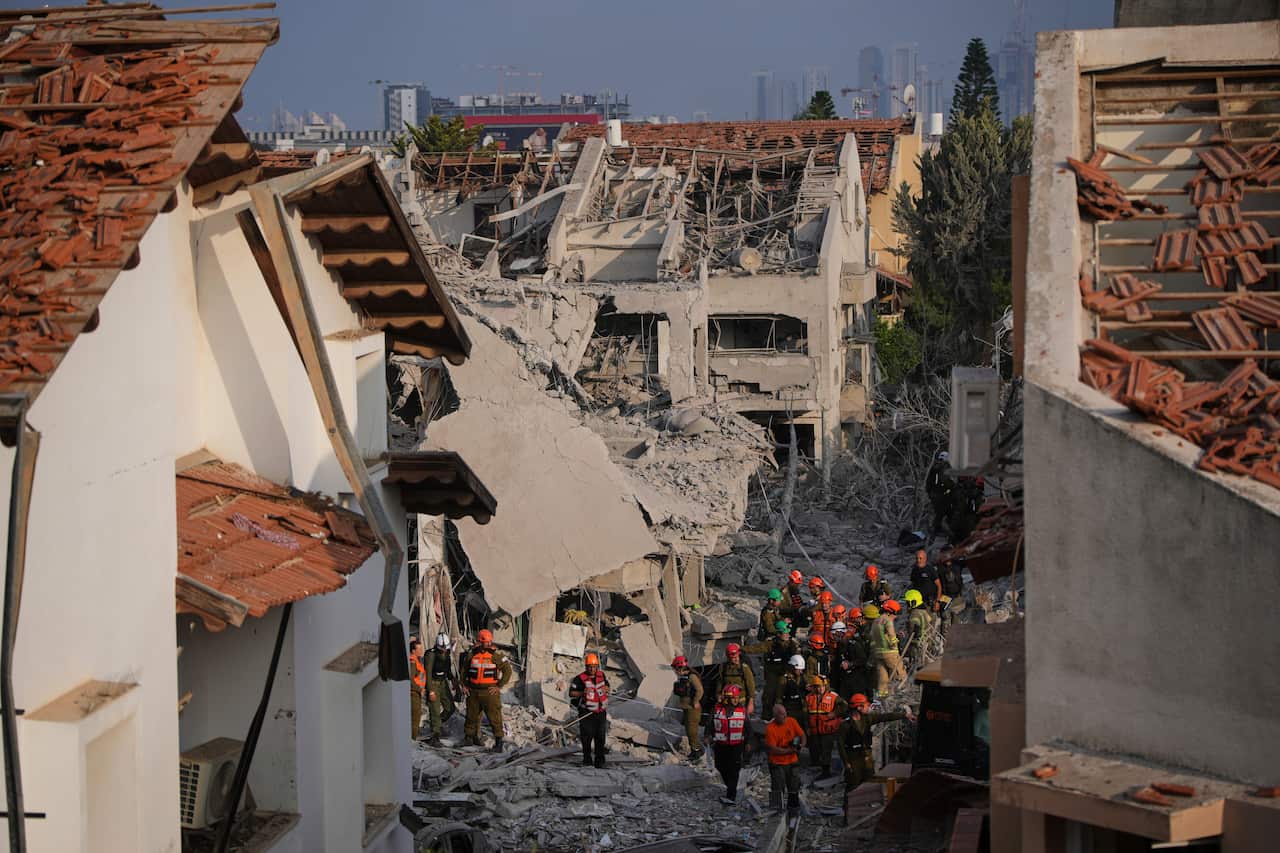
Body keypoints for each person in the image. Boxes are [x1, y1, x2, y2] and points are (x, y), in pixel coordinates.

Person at [838, 694, 915, 826]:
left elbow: (885, 717)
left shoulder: (867, 719)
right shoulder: (845, 725)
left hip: (866, 758)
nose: (868, 707)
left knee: (868, 786)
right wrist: (846, 763)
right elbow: (840, 746)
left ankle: (864, 816)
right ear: (858, 707)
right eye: (866, 705)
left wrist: (904, 715)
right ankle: (848, 817)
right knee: (852, 788)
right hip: (853, 758)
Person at [460, 628, 512, 751]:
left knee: (494, 717)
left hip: (489, 692)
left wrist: (498, 686)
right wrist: (464, 684)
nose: (486, 644)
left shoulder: (496, 656)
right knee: (471, 716)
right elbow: (464, 671)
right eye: (483, 642)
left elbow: (507, 671)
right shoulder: (472, 654)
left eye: (488, 642)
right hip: (473, 691)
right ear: (479, 641)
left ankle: (499, 742)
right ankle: (469, 738)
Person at [746, 620, 799, 720]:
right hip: (772, 675)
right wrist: (743, 649)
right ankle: (766, 718)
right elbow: (757, 648)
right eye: (785, 633)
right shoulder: (771, 644)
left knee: (786, 697)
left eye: (788, 633)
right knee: (768, 697)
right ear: (778, 634)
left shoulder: (792, 645)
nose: (787, 635)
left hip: (786, 674)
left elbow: (797, 658)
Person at [764, 703, 806, 817]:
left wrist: (801, 745)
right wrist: (790, 751)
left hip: (792, 761)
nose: (784, 717)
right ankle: (777, 813)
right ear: (775, 716)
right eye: (781, 715)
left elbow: (802, 735)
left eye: (785, 714)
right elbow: (773, 749)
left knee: (794, 787)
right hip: (777, 762)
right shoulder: (770, 728)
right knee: (778, 788)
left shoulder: (791, 721)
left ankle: (793, 812)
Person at [569, 652, 610, 767]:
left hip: (600, 712)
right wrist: (583, 692)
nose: (592, 669)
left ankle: (599, 761)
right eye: (590, 667)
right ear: (586, 666)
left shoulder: (602, 675)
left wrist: (607, 688)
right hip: (586, 713)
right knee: (587, 737)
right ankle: (587, 760)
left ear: (597, 666)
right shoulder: (579, 679)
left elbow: (607, 685)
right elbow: (571, 693)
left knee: (600, 737)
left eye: (594, 667)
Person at [804, 674, 848, 777]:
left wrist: (835, 713)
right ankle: (816, 767)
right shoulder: (808, 698)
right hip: (814, 729)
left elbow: (844, 706)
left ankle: (826, 771)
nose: (819, 689)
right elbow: (805, 714)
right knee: (815, 749)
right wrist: (807, 728)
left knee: (826, 750)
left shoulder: (833, 696)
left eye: (821, 686)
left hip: (828, 729)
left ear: (825, 686)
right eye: (816, 686)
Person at [712, 684, 749, 804]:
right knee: (720, 766)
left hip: (736, 745)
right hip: (721, 744)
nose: (736, 700)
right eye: (733, 698)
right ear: (727, 698)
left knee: (734, 769)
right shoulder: (717, 709)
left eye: (737, 698)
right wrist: (707, 735)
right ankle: (730, 786)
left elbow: (748, 728)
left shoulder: (742, 710)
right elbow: (710, 724)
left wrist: (749, 743)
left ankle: (731, 795)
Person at [422, 632, 460, 746]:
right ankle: (435, 735)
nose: (444, 651)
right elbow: (427, 673)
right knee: (434, 709)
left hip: (443, 683)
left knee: (450, 707)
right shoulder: (430, 655)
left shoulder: (447, 654)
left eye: (446, 648)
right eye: (442, 649)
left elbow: (447, 670)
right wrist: (430, 690)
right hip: (433, 683)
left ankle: (437, 724)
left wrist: (453, 680)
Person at [870, 601, 906, 698]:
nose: (896, 617)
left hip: (878, 653)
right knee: (900, 675)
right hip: (890, 653)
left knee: (883, 679)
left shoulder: (876, 621)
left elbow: (874, 637)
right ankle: (900, 697)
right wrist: (895, 644)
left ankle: (882, 698)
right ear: (890, 612)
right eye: (895, 614)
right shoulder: (888, 620)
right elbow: (891, 635)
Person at [671, 655, 705, 761]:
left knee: (692, 731)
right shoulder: (683, 677)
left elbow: (700, 690)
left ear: (680, 667)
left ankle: (697, 751)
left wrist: (695, 701)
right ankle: (694, 750)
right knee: (688, 729)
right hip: (686, 707)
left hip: (692, 708)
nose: (675, 671)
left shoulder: (692, 677)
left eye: (676, 669)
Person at [836, 609, 873, 701]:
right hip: (851, 673)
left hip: (862, 669)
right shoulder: (844, 643)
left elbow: (863, 658)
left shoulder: (857, 640)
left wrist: (851, 664)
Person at [719, 643, 756, 715]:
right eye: (733, 657)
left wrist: (751, 703)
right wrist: (718, 695)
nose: (736, 659)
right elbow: (720, 682)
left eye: (737, 656)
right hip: (727, 701)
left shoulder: (744, 668)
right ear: (728, 657)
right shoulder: (723, 667)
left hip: (741, 701)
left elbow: (751, 686)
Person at [926, 451, 956, 540]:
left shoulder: (934, 467)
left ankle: (936, 532)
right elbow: (945, 481)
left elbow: (929, 482)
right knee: (944, 512)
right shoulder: (944, 467)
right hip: (941, 494)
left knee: (938, 513)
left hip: (934, 494)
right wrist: (953, 486)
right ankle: (938, 532)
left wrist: (929, 493)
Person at [901, 590, 932, 671]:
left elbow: (912, 633)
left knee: (916, 666)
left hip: (917, 646)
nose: (906, 605)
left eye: (908, 602)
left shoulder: (914, 614)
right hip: (926, 642)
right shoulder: (924, 611)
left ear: (913, 602)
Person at [937, 557, 966, 636]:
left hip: (957, 595)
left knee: (956, 617)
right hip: (945, 596)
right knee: (944, 617)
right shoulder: (940, 568)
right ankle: (944, 638)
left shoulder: (957, 564)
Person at [780, 655, 808, 724]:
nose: (801, 672)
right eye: (799, 669)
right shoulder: (784, 679)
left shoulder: (802, 677)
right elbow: (779, 696)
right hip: (789, 708)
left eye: (802, 670)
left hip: (800, 706)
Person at [409, 636, 426, 740]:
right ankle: (413, 738)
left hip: (417, 692)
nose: (421, 651)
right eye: (419, 649)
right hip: (413, 693)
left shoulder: (417, 660)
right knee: (415, 717)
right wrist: (420, 689)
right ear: (413, 650)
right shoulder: (412, 662)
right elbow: (410, 680)